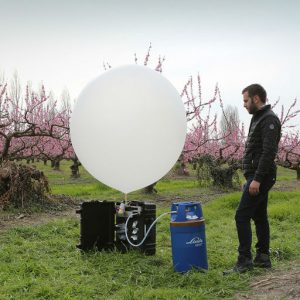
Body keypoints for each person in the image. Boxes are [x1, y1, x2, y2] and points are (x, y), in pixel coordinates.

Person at [224, 84, 281, 275]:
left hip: (262, 176)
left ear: (256, 99)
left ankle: (244, 261)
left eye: (246, 101)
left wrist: (256, 180)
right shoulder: (258, 118)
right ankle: (263, 258)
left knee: (241, 216)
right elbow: (254, 150)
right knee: (259, 216)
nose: (244, 105)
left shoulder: (269, 120)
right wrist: (249, 177)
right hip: (256, 176)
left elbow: (268, 152)